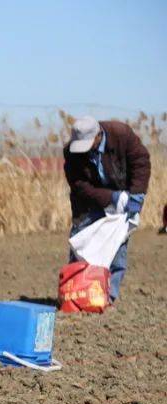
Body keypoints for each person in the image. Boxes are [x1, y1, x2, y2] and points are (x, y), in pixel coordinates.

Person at [63, 116, 151, 303]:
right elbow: (80, 186)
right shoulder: (71, 152)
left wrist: (136, 194)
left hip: (123, 198)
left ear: (98, 135)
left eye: (87, 144)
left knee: (116, 247)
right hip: (87, 202)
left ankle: (107, 297)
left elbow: (141, 162)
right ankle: (76, 294)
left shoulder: (121, 135)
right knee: (80, 245)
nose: (84, 150)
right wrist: (112, 198)